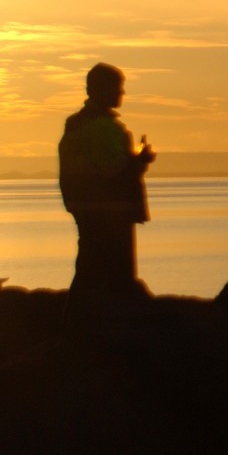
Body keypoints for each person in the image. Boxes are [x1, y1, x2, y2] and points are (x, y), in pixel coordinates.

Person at [58, 62, 155, 297]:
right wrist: (140, 161)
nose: (122, 93)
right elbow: (112, 170)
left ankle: (78, 320)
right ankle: (104, 325)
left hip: (89, 210)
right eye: (118, 87)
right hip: (109, 213)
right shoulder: (102, 126)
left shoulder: (78, 123)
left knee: (89, 271)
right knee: (115, 276)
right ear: (102, 90)